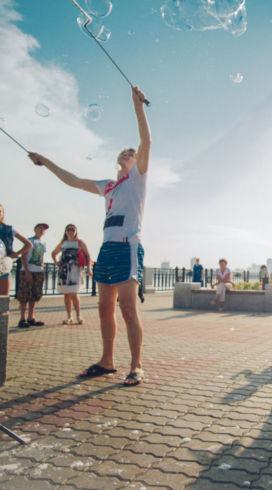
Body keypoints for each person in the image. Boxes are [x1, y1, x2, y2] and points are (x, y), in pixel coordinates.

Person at [28, 86, 151, 386]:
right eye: (124, 151)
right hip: (107, 249)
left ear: (136, 161)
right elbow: (73, 180)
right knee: (104, 307)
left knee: (128, 310)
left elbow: (146, 140)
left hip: (127, 248)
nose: (128, 153)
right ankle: (107, 361)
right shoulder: (108, 185)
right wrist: (45, 162)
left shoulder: (138, 178)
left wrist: (137, 107)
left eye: (131, 153)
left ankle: (136, 366)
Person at [51, 224, 92, 325]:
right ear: (65, 231)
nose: (70, 231)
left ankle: (78, 316)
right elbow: (54, 253)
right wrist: (56, 262)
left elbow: (88, 255)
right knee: (66, 295)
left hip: (76, 271)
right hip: (64, 271)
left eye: (72, 229)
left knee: (74, 294)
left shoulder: (79, 242)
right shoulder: (63, 243)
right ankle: (69, 316)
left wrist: (89, 269)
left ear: (76, 231)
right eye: (68, 229)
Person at [16, 223, 49, 328]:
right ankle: (22, 318)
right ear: (35, 229)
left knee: (34, 295)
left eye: (43, 229)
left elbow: (41, 256)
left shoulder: (43, 243)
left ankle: (31, 317)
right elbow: (23, 256)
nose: (41, 230)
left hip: (38, 271)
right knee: (24, 295)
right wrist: (27, 271)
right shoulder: (29, 241)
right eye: (39, 228)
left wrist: (42, 266)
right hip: (28, 270)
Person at [0, 204, 32, 296]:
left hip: (2, 267)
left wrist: (15, 254)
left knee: (3, 303)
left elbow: (28, 244)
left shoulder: (9, 229)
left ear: (3, 214)